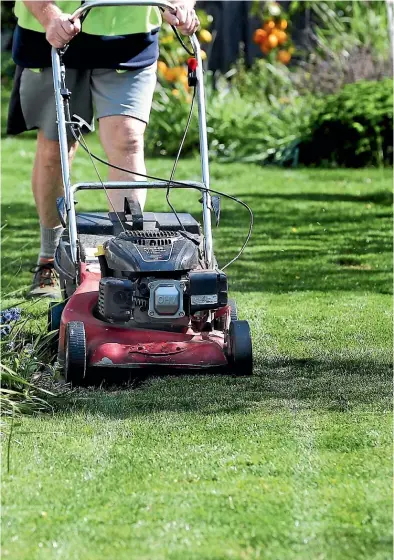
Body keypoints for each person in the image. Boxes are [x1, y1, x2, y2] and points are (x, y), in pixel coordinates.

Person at [7, 0, 199, 298]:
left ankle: (127, 259)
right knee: (55, 148)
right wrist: (49, 16)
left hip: (127, 35)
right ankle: (49, 259)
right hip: (53, 30)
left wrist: (180, 6)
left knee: (128, 140)